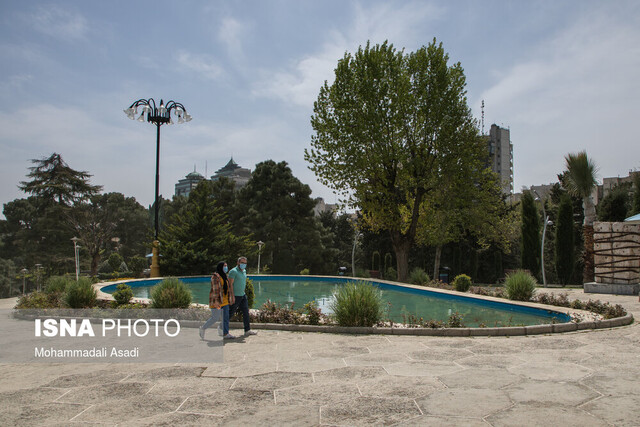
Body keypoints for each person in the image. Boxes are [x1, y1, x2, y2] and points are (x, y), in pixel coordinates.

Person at [200, 261, 236, 340]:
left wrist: (231, 298)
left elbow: (228, 289)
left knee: (225, 318)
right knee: (215, 318)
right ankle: (203, 328)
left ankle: (226, 333)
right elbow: (215, 290)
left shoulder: (225, 276)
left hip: (225, 301)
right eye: (224, 266)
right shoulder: (215, 277)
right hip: (217, 301)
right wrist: (216, 302)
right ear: (220, 267)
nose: (226, 267)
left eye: (226, 266)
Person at [228, 256, 257, 336]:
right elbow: (230, 284)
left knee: (246, 312)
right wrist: (232, 296)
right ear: (238, 263)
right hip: (236, 296)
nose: (243, 264)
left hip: (242, 295)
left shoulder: (244, 271)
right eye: (242, 263)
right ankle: (222, 328)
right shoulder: (233, 271)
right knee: (230, 313)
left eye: (245, 263)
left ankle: (247, 330)